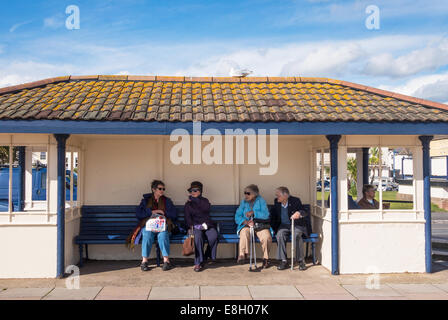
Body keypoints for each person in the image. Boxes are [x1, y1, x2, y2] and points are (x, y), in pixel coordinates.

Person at [135, 180, 177, 271]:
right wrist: (152, 212)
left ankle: (166, 261)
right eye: (160, 188)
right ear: (153, 189)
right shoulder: (146, 201)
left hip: (162, 226)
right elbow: (139, 214)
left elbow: (174, 214)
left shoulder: (167, 201)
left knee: (163, 235)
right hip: (150, 226)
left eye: (163, 189)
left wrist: (164, 213)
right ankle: (144, 261)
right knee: (147, 234)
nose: (162, 190)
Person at [234, 184, 272, 269]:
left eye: (248, 193)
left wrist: (254, 213)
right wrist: (245, 221)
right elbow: (237, 216)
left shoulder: (261, 201)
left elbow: (266, 215)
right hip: (247, 225)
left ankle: (266, 258)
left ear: (255, 194)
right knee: (244, 232)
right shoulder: (244, 202)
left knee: (266, 237)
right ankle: (242, 255)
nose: (246, 195)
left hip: (260, 225)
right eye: (245, 193)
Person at [184, 181, 219, 272]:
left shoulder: (205, 201)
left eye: (195, 190)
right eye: (191, 190)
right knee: (198, 237)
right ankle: (198, 262)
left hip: (206, 225)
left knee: (214, 236)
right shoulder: (188, 204)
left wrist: (194, 200)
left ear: (200, 191)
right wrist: (192, 226)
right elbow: (187, 218)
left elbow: (204, 209)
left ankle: (206, 255)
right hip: (195, 226)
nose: (193, 192)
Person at [270, 187, 308, 271]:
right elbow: (273, 216)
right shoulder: (276, 202)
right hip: (283, 225)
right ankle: (283, 261)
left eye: (278, 195)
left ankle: (301, 261)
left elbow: (304, 211)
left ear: (286, 195)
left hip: (295, 225)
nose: (277, 197)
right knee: (279, 235)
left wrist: (299, 213)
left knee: (296, 235)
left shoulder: (295, 201)